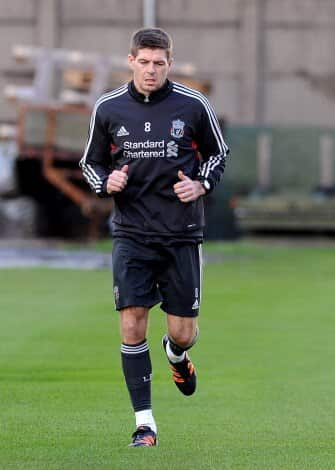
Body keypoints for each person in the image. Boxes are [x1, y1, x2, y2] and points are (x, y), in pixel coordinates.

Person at [80, 27, 229, 447]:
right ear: (131, 61)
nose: (151, 70)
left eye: (159, 63)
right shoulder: (108, 107)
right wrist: (105, 182)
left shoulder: (193, 104)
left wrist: (200, 184)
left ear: (170, 63)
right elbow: (90, 163)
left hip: (181, 234)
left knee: (184, 331)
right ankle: (145, 424)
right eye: (143, 62)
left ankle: (176, 354)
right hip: (131, 233)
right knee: (131, 324)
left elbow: (218, 153)